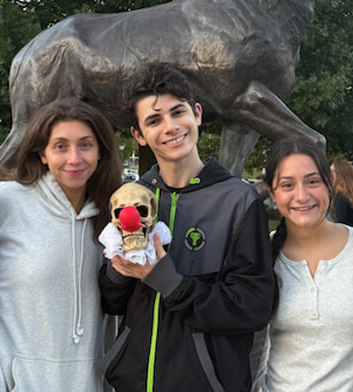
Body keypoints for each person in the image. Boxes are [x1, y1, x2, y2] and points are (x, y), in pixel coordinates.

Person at [99, 63, 277, 392]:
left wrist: (171, 282)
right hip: (132, 383)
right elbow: (112, 303)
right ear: (139, 134)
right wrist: (118, 270)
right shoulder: (133, 199)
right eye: (153, 120)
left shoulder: (238, 201)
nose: (169, 127)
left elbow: (252, 308)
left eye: (177, 112)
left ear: (196, 114)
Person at [0, 98, 122, 391]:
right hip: (9, 383)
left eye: (85, 145)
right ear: (42, 154)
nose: (74, 158)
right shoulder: (8, 201)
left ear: (101, 151)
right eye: (61, 146)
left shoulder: (113, 215)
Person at [251, 137, 353, 391]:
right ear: (272, 192)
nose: (302, 196)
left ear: (330, 184)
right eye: (287, 185)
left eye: (312, 182)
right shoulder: (261, 256)